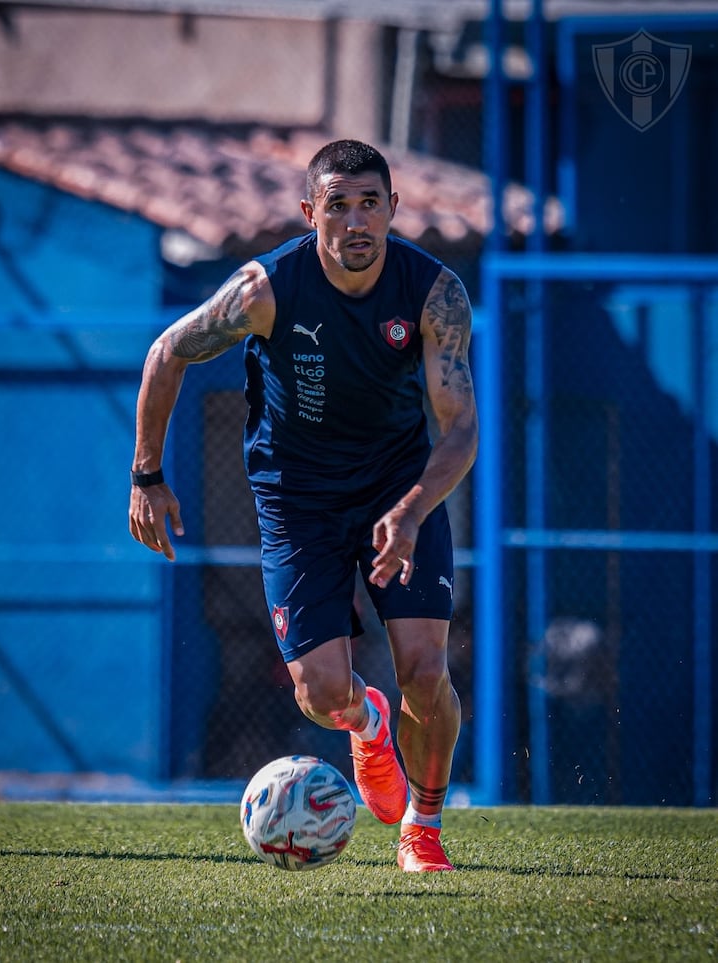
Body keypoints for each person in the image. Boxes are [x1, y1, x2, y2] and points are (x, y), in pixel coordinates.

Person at [129, 139, 478, 872]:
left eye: (370, 203)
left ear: (393, 209)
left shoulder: (433, 293)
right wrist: (147, 474)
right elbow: (168, 350)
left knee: (424, 668)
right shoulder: (265, 290)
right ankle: (366, 720)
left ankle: (424, 826)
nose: (356, 221)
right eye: (338, 205)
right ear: (308, 212)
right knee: (319, 692)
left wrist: (413, 509)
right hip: (298, 501)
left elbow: (462, 430)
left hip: (397, 490)